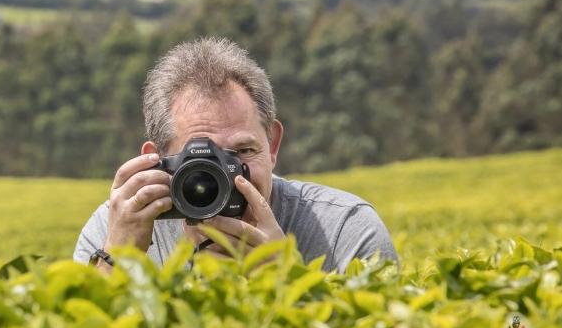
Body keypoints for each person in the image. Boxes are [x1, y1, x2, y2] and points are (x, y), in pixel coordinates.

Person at [74, 37, 397, 272]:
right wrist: (118, 259)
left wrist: (284, 282)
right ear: (155, 162)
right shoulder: (114, 227)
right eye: (201, 163)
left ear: (272, 146)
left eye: (243, 151)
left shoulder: (344, 229)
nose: (225, 177)